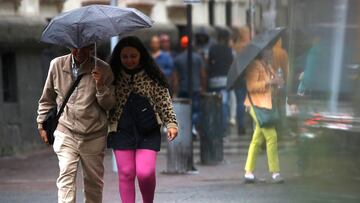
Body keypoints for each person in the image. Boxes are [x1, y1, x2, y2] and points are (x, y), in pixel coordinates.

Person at [37, 44, 115, 203]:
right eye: (75, 47)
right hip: (66, 130)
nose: (79, 52)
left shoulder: (103, 68)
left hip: (94, 134)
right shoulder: (57, 65)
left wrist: (100, 85)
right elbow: (47, 98)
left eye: (84, 48)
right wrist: (41, 123)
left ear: (92, 47)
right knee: (65, 176)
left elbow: (109, 105)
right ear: (69, 46)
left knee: (93, 183)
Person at [107, 36, 178, 203]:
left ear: (141, 55)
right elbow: (104, 103)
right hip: (121, 130)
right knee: (126, 173)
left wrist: (171, 123)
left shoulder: (152, 76)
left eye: (133, 56)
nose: (129, 60)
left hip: (148, 129)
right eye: (125, 56)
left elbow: (164, 101)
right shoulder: (111, 76)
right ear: (119, 57)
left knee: (145, 172)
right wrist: (100, 85)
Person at [243, 49, 284, 184]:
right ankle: (275, 172)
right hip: (256, 105)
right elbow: (250, 86)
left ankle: (248, 172)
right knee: (272, 136)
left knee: (257, 139)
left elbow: (273, 82)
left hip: (266, 106)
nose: (272, 53)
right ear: (262, 52)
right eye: (269, 51)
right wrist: (268, 83)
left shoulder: (267, 66)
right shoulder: (254, 65)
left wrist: (277, 81)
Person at [173, 35, 206, 136]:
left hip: (183, 89)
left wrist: (175, 91)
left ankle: (186, 129)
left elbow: (175, 78)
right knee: (195, 110)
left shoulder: (178, 59)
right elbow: (203, 75)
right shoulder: (198, 57)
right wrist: (203, 88)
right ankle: (193, 127)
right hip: (196, 88)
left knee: (184, 111)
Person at [207, 27, 233, 134]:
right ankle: (223, 128)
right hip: (224, 80)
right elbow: (231, 64)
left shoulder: (212, 48)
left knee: (214, 104)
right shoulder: (228, 50)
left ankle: (214, 127)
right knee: (224, 103)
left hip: (213, 80)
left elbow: (209, 63)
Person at [231, 26, 252, 135]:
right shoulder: (247, 47)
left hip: (236, 77)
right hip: (246, 76)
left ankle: (241, 125)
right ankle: (246, 125)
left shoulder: (235, 47)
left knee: (240, 101)